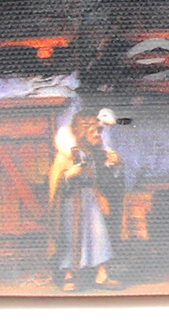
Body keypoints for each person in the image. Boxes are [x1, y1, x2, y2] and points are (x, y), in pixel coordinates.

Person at [48, 113, 123, 291]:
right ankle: (69, 276)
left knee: (98, 235)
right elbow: (54, 182)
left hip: (91, 201)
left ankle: (102, 275)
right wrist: (68, 174)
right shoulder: (65, 156)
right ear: (82, 133)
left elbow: (101, 177)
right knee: (70, 236)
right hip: (72, 202)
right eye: (93, 132)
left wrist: (112, 163)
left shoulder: (94, 152)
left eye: (98, 131)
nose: (97, 135)